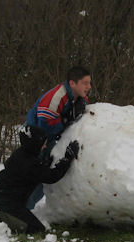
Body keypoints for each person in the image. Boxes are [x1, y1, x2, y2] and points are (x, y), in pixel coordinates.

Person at [25, 65, 91, 209]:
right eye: (85, 83)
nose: (89, 87)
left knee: (42, 179)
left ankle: (27, 207)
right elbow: (45, 124)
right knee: (34, 174)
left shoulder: (79, 96)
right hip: (37, 137)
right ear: (72, 83)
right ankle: (20, 207)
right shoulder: (55, 97)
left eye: (89, 83)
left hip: (51, 137)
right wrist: (65, 121)